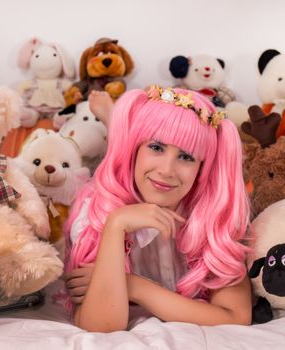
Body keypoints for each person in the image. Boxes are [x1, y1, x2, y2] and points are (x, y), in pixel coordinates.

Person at [63, 86, 252, 332]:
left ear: (202, 167)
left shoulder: (213, 216)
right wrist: (117, 224)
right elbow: (101, 326)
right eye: (156, 147)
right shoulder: (98, 212)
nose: (166, 170)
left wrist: (133, 286)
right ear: (134, 149)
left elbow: (235, 317)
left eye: (186, 157)